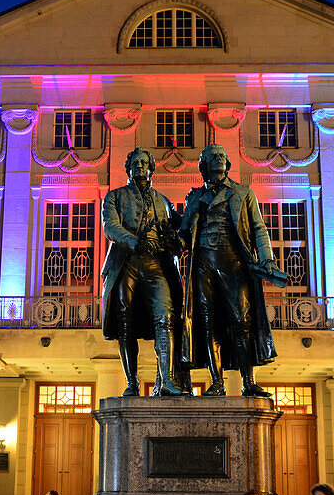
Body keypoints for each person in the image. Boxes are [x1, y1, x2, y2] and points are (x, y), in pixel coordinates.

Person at [179, 144, 286, 396]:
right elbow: (184, 234)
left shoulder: (243, 192)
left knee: (241, 321)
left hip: (234, 263)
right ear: (203, 165)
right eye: (211, 157)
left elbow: (259, 228)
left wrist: (267, 259)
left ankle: (248, 381)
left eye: (221, 157)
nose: (217, 160)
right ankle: (217, 383)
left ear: (227, 164)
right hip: (203, 264)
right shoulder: (194, 198)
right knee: (207, 323)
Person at [101, 147, 186, 397]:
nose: (139, 166)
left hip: (157, 265)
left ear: (151, 168)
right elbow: (111, 227)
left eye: (143, 162)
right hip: (126, 263)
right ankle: (132, 383)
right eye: (134, 162)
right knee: (125, 324)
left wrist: (175, 241)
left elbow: (179, 231)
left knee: (165, 318)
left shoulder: (164, 201)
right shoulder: (114, 197)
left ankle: (166, 381)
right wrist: (135, 241)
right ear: (127, 168)